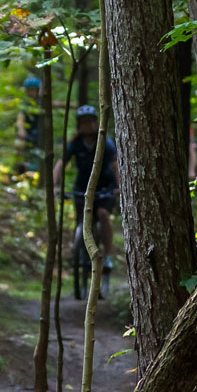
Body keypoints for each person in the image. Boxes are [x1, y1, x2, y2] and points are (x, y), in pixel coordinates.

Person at [58, 104, 117, 270]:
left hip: (105, 187)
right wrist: (55, 185)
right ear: (78, 124)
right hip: (82, 188)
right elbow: (61, 164)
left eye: (90, 121)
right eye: (83, 122)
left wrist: (119, 187)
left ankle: (108, 254)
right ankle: (78, 248)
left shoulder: (105, 142)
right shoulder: (74, 144)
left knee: (103, 214)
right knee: (81, 220)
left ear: (96, 122)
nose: (87, 125)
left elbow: (115, 164)